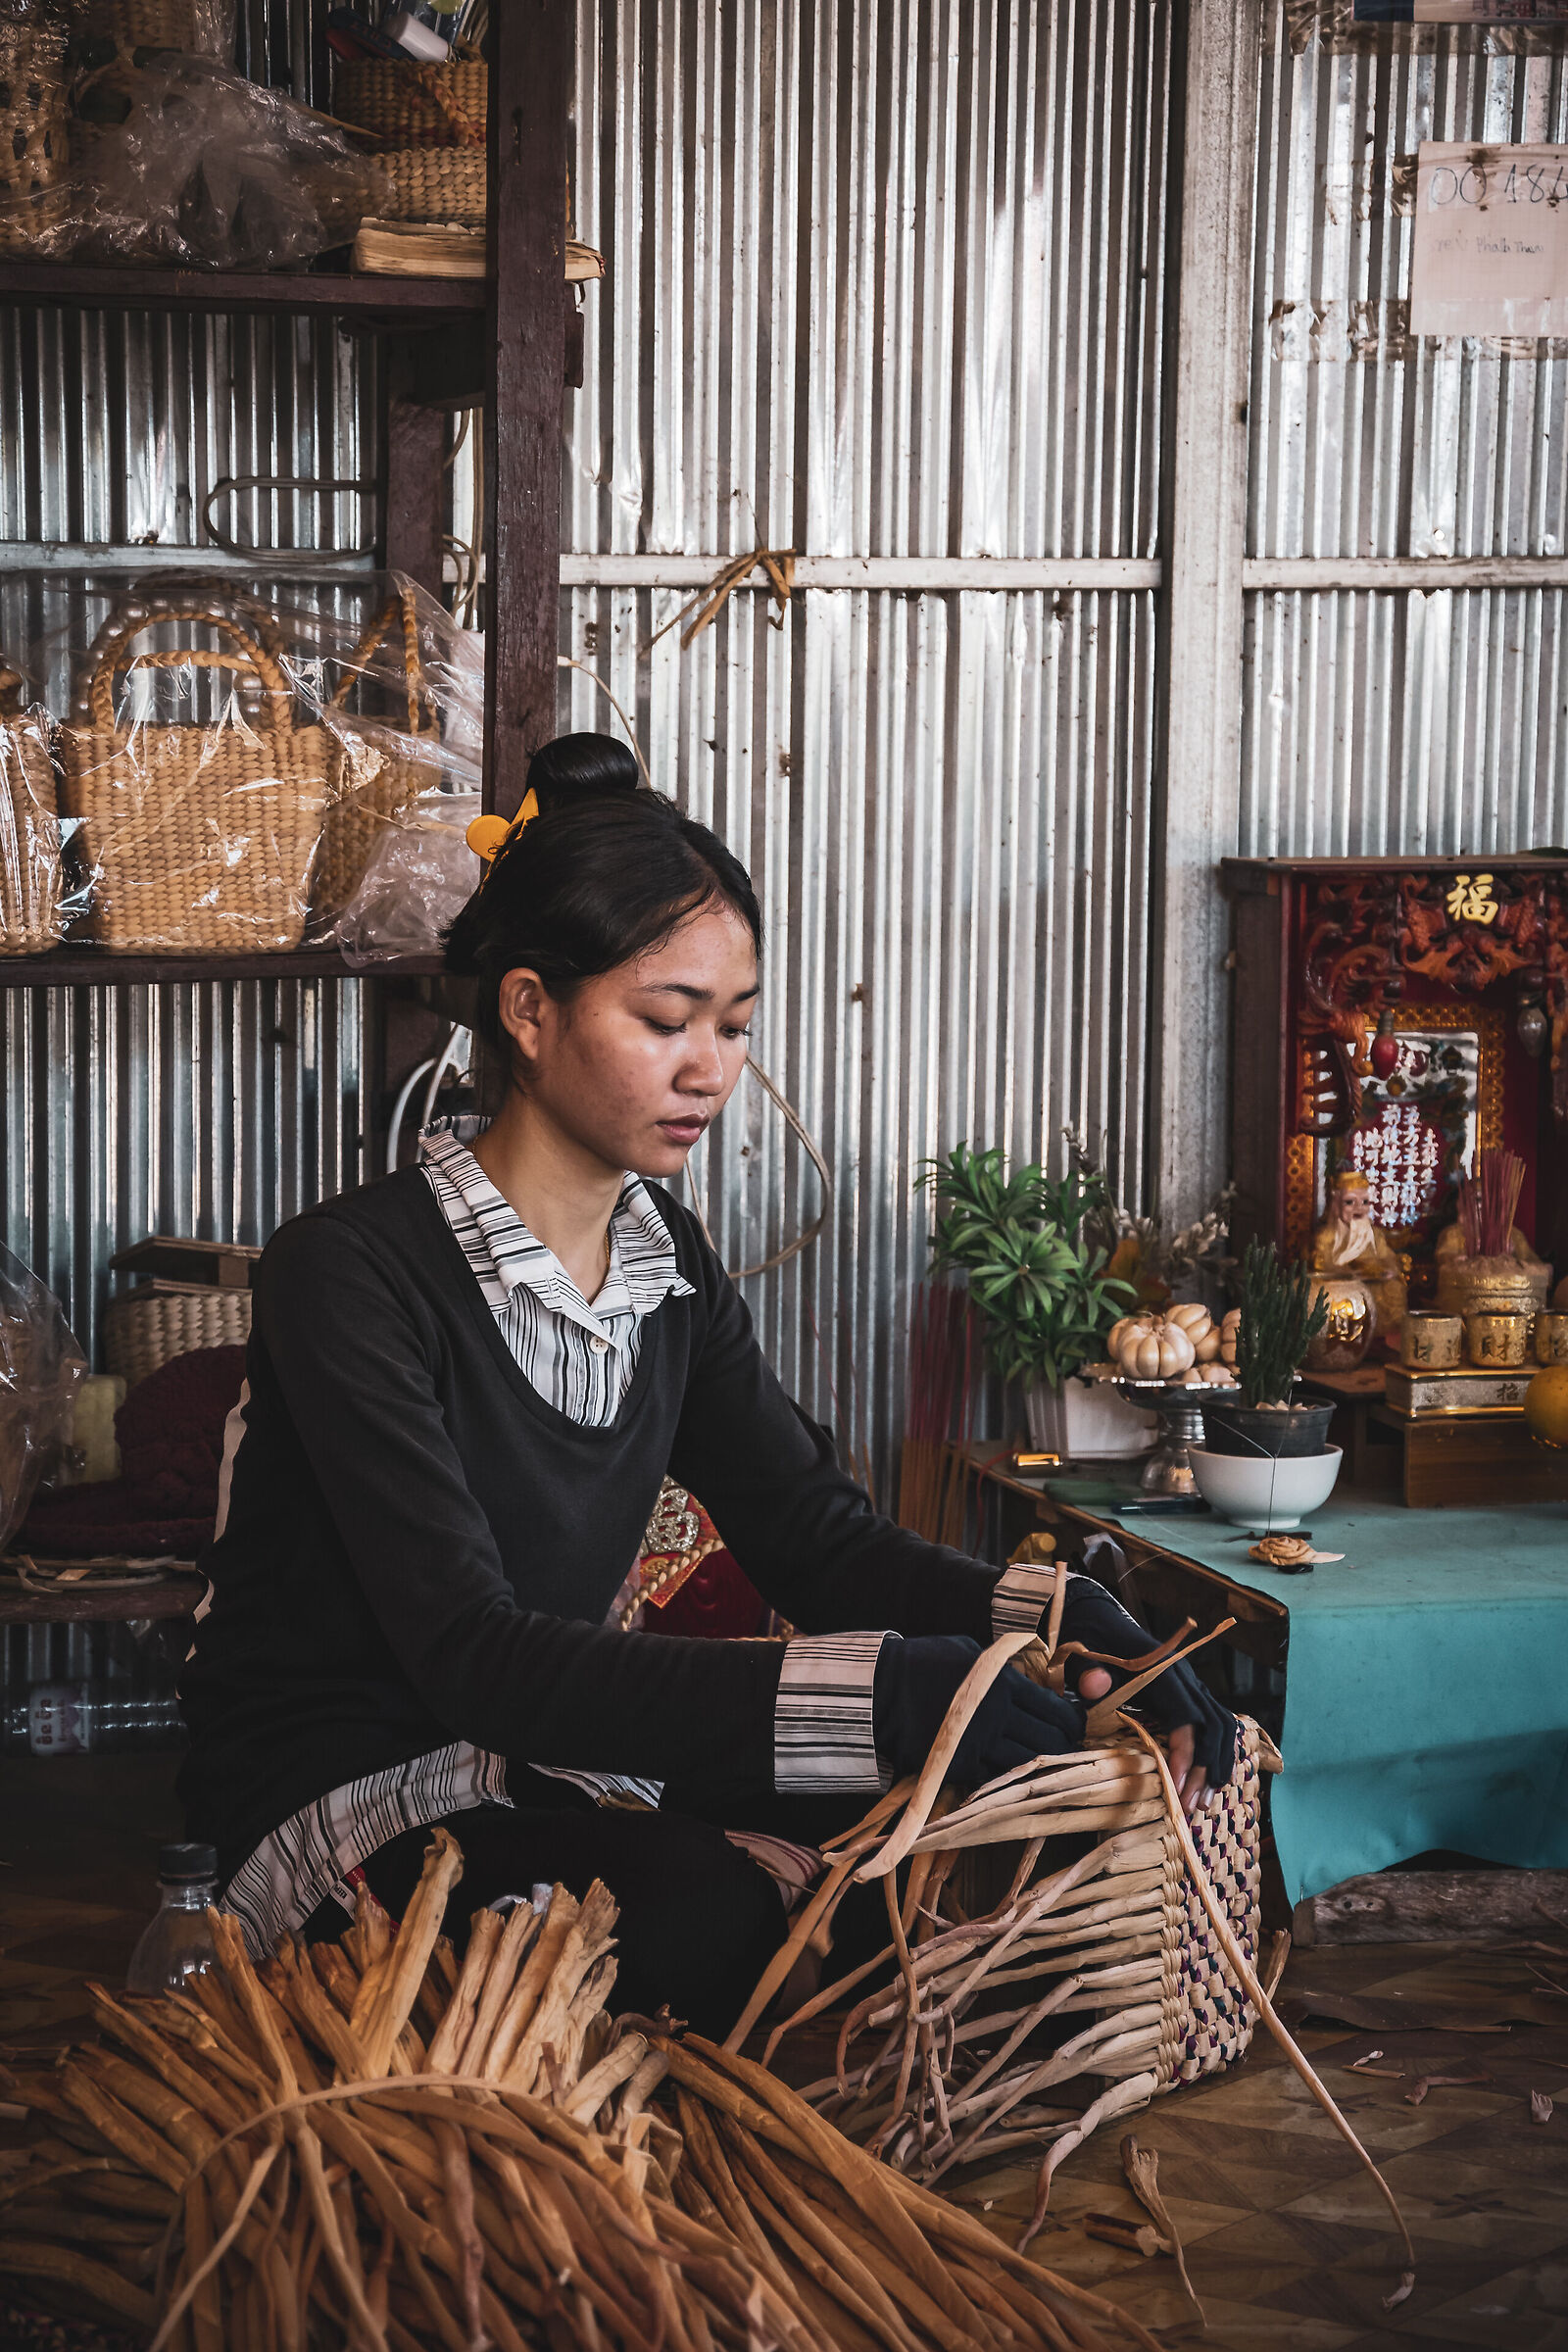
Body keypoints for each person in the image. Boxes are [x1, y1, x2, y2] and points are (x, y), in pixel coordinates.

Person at [179, 735, 1236, 2033]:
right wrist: (901, 1688)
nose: (711, 1070)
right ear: (527, 1009)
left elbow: (812, 1539)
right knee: (709, 1916)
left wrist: (1054, 1609)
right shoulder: (350, 1272)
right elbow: (471, 1656)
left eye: (733, 1027)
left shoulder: (661, 1258)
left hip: (563, 1766)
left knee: (975, 1805)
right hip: (355, 1799)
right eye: (665, 1020)